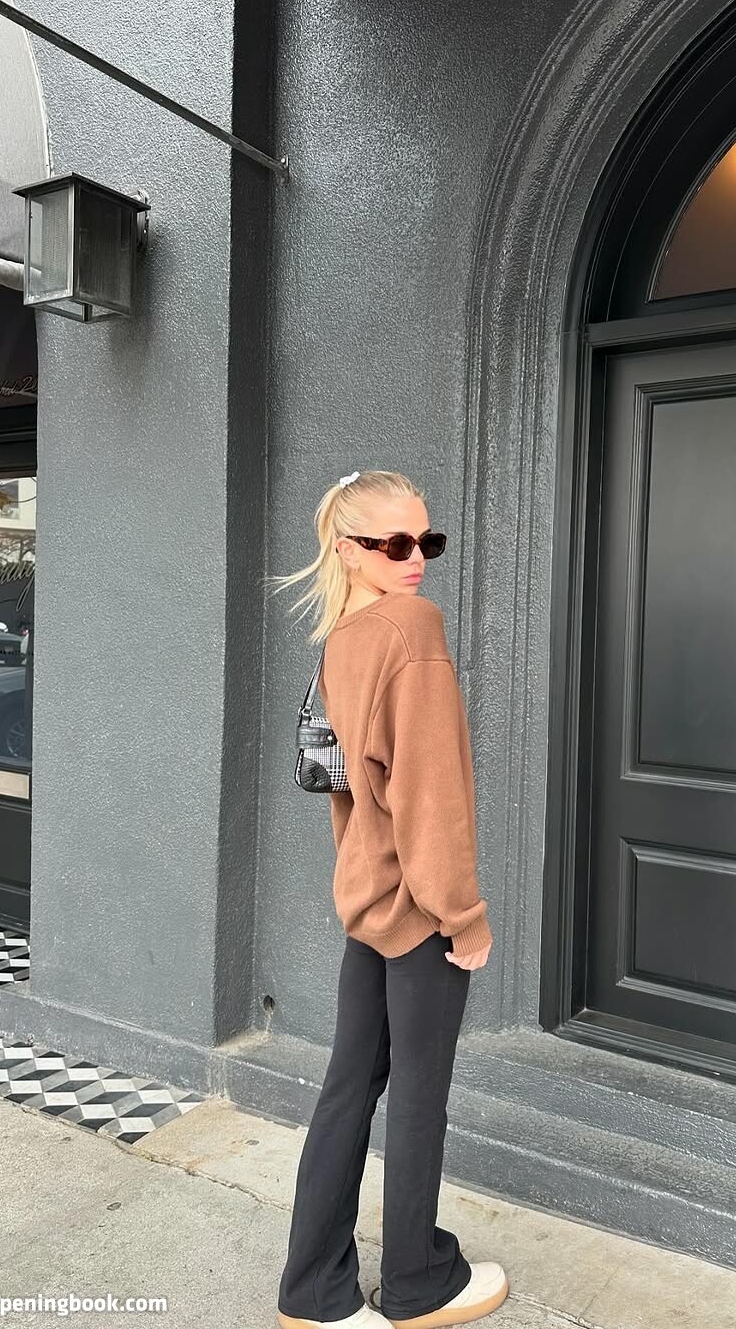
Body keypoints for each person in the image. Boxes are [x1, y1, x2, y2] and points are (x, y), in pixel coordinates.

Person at [265, 470, 509, 1329]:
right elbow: (428, 793)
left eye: (426, 541)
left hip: (368, 896)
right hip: (416, 907)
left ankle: (313, 1291)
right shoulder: (414, 628)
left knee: (349, 1086)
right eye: (395, 543)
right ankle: (417, 1283)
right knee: (416, 1097)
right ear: (348, 549)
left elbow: (355, 788)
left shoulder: (345, 637)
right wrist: (463, 916)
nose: (416, 559)